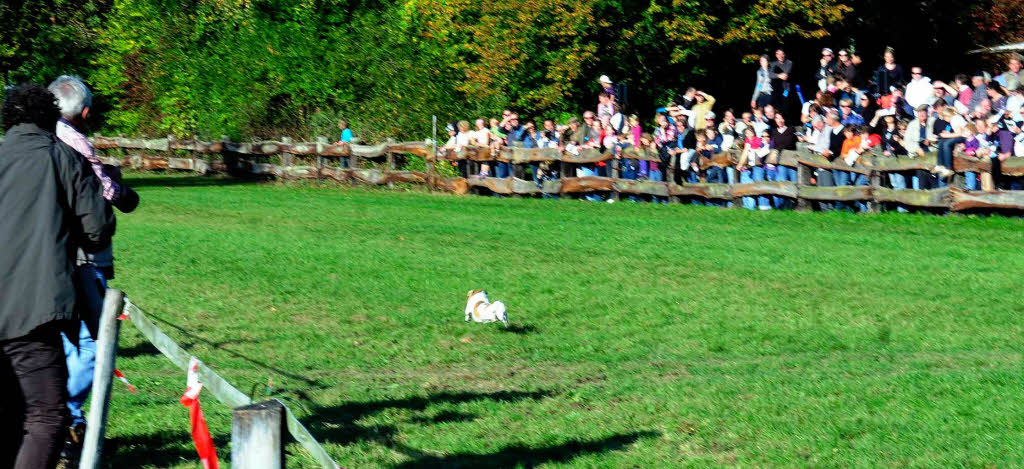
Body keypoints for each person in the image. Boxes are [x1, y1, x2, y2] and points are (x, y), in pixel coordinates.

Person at [0, 84, 115, 469]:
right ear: (51, 119)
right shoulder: (63, 158)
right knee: (48, 416)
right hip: (33, 309)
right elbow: (97, 229)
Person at [48, 75, 138, 458]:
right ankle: (61, 416)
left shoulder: (41, 138)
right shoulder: (75, 141)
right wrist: (122, 189)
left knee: (71, 342)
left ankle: (72, 428)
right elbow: (106, 193)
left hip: (56, 253)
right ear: (83, 112)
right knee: (95, 341)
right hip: (86, 254)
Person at [770, 49, 794, 115]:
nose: (780, 56)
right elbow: (770, 74)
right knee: (776, 107)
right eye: (778, 54)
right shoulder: (773, 64)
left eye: (782, 54)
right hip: (776, 89)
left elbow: (785, 75)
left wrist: (776, 75)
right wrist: (778, 75)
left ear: (784, 54)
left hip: (785, 89)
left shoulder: (789, 63)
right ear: (776, 55)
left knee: (785, 106)